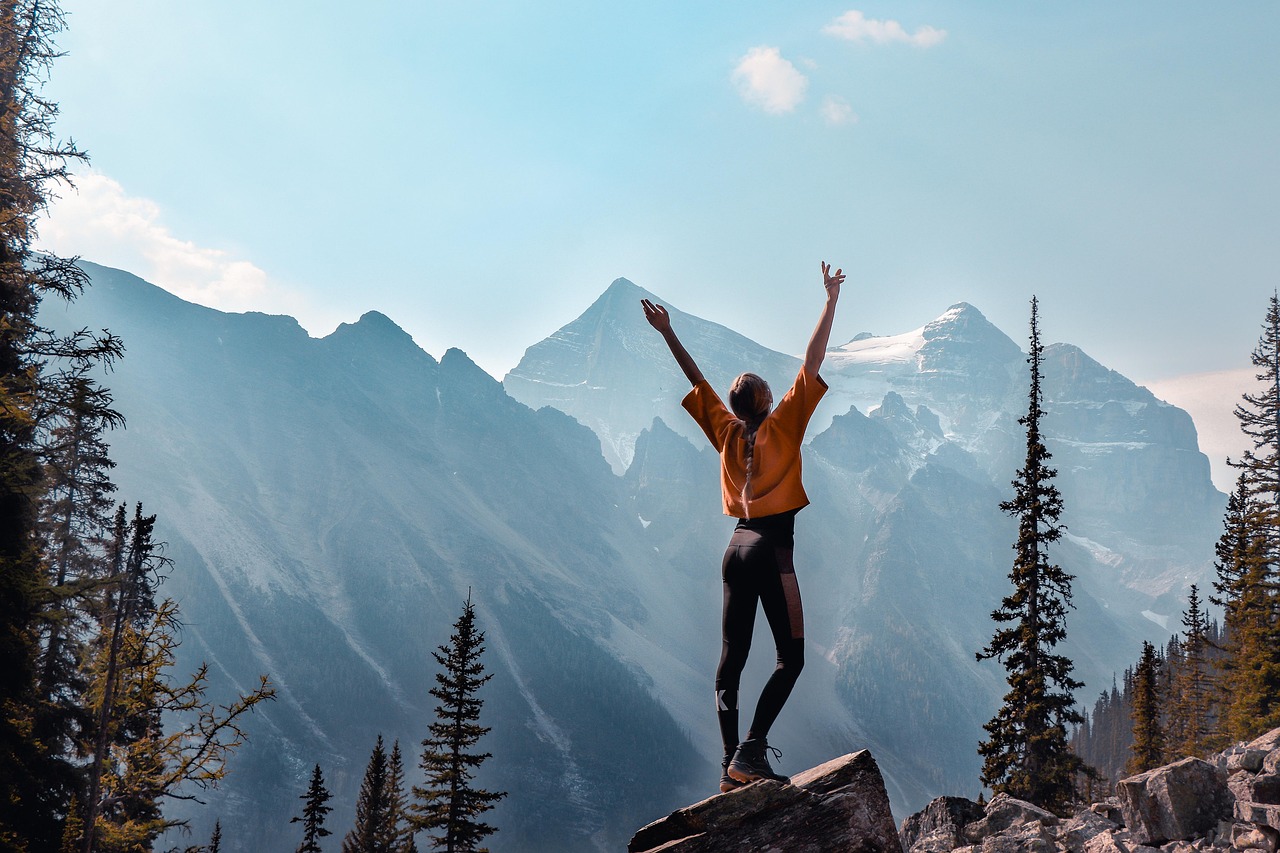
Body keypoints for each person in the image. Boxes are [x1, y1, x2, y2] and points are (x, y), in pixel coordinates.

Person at [641, 261, 844, 792]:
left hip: (734, 549)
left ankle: (730, 766)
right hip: (772, 549)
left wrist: (669, 333)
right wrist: (829, 301)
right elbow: (814, 358)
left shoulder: (726, 434)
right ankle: (752, 751)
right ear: (769, 401)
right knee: (791, 658)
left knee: (732, 658)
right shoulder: (784, 425)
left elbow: (696, 379)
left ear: (735, 408)